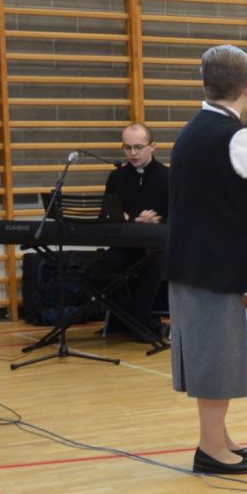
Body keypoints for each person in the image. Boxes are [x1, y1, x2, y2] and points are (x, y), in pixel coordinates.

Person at [165, 44, 247, 475]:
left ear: (203, 82)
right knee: (217, 358)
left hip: (194, 264)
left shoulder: (190, 132)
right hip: (220, 269)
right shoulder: (239, 136)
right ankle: (210, 448)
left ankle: (220, 439)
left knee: (214, 353)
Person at [96, 121, 170, 340]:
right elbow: (106, 215)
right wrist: (128, 219)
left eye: (138, 147)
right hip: (126, 246)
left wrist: (157, 220)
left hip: (158, 248)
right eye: (127, 148)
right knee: (95, 272)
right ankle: (139, 322)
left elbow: (181, 216)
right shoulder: (116, 177)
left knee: (151, 268)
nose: (133, 153)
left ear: (152, 146)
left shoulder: (168, 176)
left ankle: (132, 321)